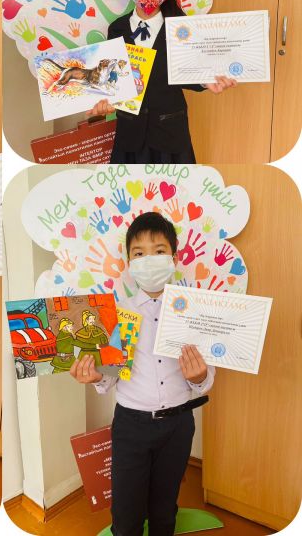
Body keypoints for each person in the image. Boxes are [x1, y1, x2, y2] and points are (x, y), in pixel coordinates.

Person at [70, 212, 215, 536]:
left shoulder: (193, 313)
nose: (149, 260)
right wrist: (95, 377)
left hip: (179, 424)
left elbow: (206, 378)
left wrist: (198, 377)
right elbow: (110, 376)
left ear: (174, 259)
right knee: (126, 513)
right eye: (139, 253)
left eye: (159, 251)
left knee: (165, 509)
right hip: (131, 426)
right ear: (128, 263)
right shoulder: (117, 314)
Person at [87, 0, 237, 163]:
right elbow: (112, 82)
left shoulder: (182, 28)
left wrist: (207, 81)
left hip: (170, 134)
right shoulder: (117, 29)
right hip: (130, 136)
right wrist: (104, 102)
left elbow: (188, 70)